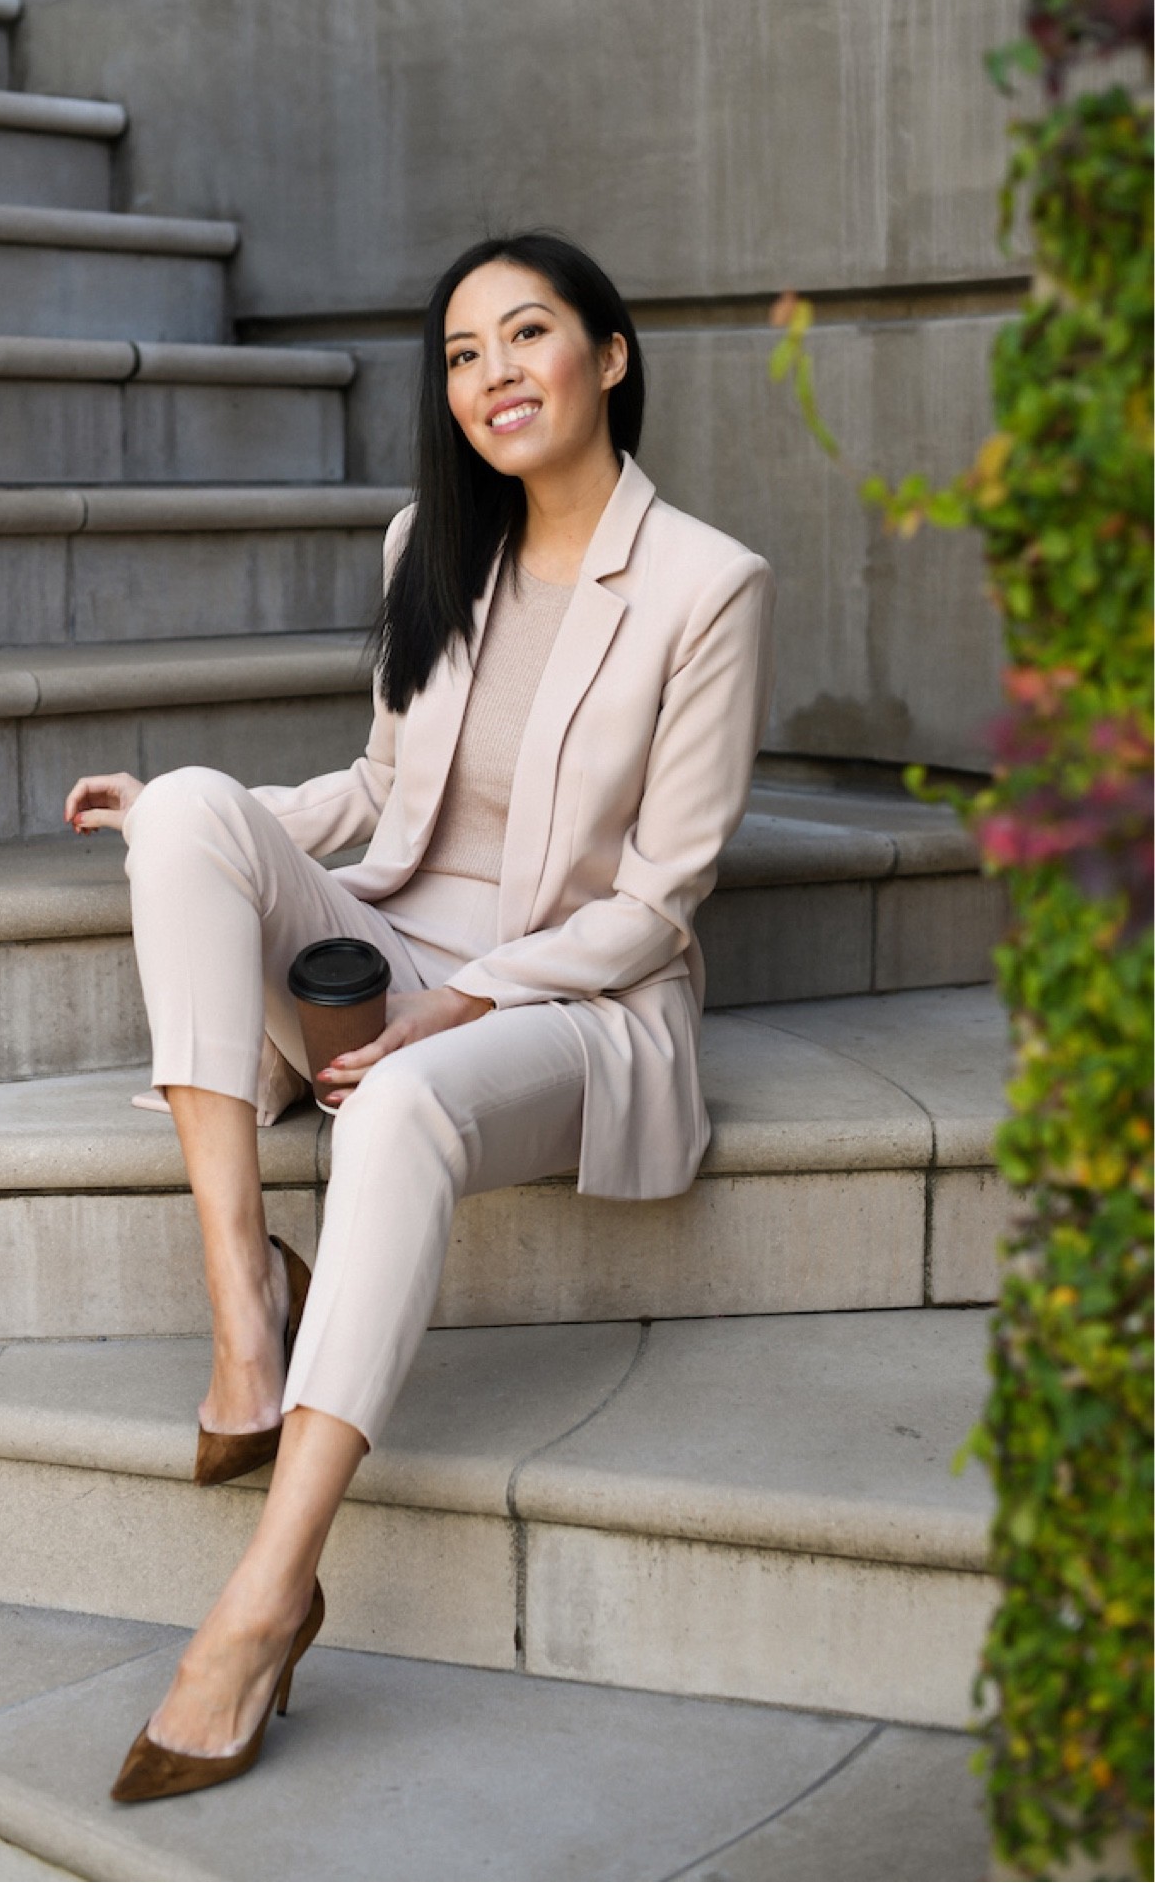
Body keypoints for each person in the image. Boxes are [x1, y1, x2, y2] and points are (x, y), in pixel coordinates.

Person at [63, 231, 775, 1802]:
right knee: (187, 807)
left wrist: (459, 1001)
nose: (491, 374)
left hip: (568, 998)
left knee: (394, 1101)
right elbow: (379, 791)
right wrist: (190, 813)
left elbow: (657, 903)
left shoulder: (705, 585)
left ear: (609, 354)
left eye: (525, 335)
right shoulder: (427, 542)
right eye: (460, 353)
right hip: (385, 942)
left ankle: (268, 1596)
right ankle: (248, 1318)